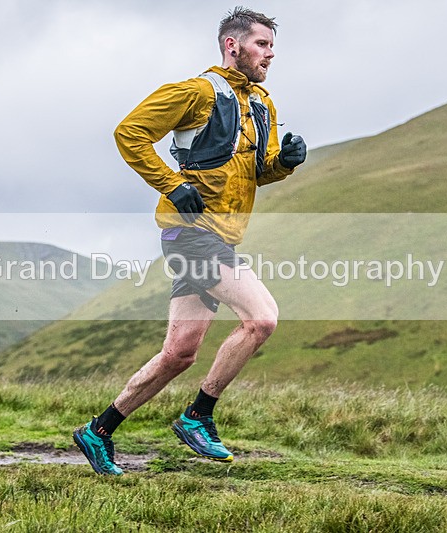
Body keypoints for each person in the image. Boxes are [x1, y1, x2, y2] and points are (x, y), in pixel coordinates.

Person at [73, 6, 307, 475]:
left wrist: (284, 164)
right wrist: (170, 184)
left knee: (179, 354)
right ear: (232, 45)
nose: (270, 54)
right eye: (262, 44)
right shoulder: (197, 92)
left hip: (221, 238)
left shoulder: (261, 105)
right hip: (192, 236)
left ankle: (98, 431)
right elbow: (130, 133)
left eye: (272, 46)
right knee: (261, 319)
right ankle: (198, 416)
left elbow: (254, 172)